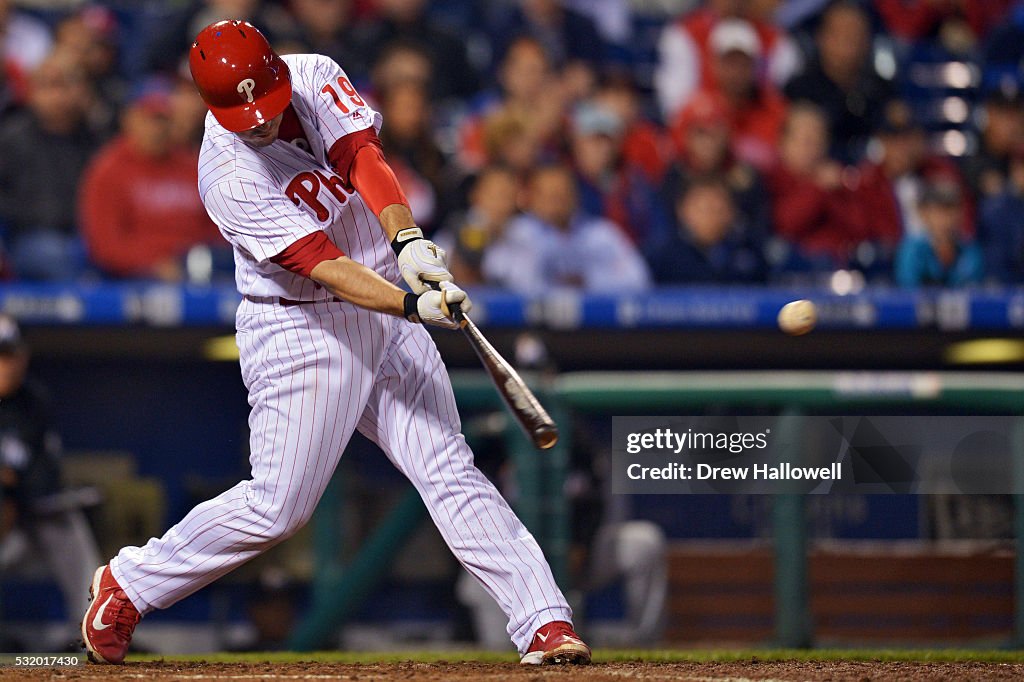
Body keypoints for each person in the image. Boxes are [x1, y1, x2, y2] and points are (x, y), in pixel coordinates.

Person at [80, 21, 590, 667]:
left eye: (263, 104)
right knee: (279, 507)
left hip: (380, 290)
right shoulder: (227, 174)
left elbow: (362, 160)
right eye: (244, 115)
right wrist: (413, 302)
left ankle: (543, 623)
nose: (259, 124)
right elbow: (322, 264)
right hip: (303, 325)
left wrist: (407, 242)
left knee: (446, 465)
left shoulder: (315, 74)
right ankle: (130, 583)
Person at [0, 314, 102, 648]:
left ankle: (90, 633)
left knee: (65, 519)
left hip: (25, 524)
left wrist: (13, 491)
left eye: (10, 355)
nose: (6, 365)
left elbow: (44, 477)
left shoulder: (33, 402)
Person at [79, 77, 221, 280]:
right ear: (128, 120)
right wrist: (152, 263)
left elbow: (217, 228)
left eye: (164, 120)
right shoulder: (108, 169)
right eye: (149, 119)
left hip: (200, 267)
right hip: (136, 275)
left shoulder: (193, 165)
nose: (157, 129)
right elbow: (105, 245)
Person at [482, 163, 651, 295]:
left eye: (562, 195)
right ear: (531, 197)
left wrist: (587, 280)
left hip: (595, 327)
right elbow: (497, 274)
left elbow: (638, 279)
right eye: (550, 196)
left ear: (575, 196)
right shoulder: (517, 232)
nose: (557, 203)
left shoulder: (601, 235)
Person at [783, 1, 895, 164]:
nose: (848, 43)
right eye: (840, 34)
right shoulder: (799, 90)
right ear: (821, 38)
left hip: (872, 179)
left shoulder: (882, 90)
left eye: (855, 35)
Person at [645, 176, 766, 284]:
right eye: (703, 209)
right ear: (682, 210)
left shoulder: (749, 251)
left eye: (718, 208)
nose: (710, 217)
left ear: (732, 211)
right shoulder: (661, 256)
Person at [895, 181, 984, 288]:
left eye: (951, 212)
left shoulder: (969, 249)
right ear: (923, 214)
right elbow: (908, 290)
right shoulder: (912, 249)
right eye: (939, 212)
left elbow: (973, 290)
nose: (946, 220)